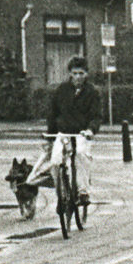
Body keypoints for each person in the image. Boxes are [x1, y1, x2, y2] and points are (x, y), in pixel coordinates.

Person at [31, 56, 101, 200]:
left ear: (86, 74)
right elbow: (53, 114)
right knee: (55, 161)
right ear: (70, 73)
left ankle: (83, 191)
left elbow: (96, 115)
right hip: (63, 133)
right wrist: (50, 135)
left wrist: (90, 130)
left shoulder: (92, 92)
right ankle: (60, 189)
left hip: (81, 134)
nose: (78, 77)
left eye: (81, 73)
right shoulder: (62, 90)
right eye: (75, 73)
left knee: (80, 155)